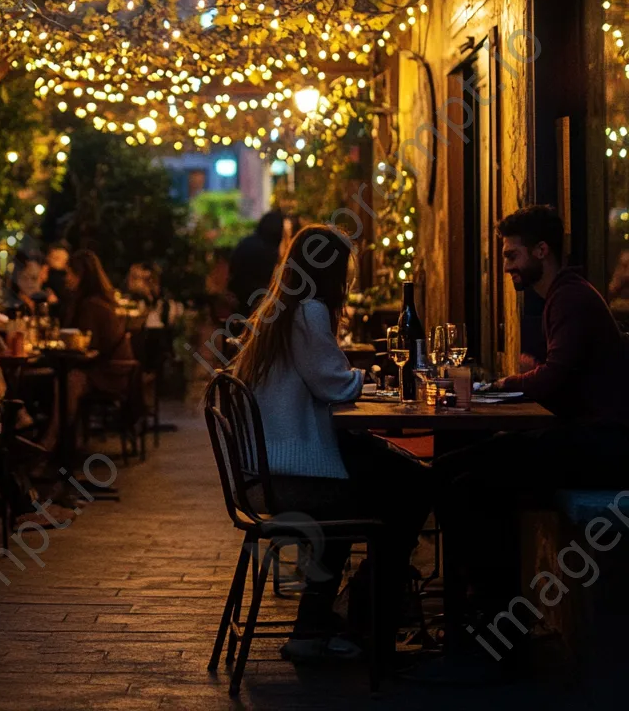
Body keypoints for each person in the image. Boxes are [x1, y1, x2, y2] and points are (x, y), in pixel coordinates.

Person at [435, 205, 629, 653]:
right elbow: (560, 378)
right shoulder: (564, 297)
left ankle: (491, 624)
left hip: (607, 445)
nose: (506, 267)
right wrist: (534, 377)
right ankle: (492, 620)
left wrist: (507, 382)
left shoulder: (569, 298)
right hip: (595, 439)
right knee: (462, 471)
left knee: (468, 479)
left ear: (543, 250)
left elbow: (553, 379)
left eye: (512, 256)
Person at [234, 225, 430, 661]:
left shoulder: (280, 309)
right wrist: (369, 378)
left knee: (393, 479)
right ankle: (364, 612)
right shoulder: (308, 312)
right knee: (411, 488)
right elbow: (333, 385)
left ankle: (331, 618)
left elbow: (325, 382)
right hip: (291, 477)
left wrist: (356, 380)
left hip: (266, 473)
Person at [39, 250, 134, 451]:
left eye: (69, 273)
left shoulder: (93, 305)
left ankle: (52, 443)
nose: (66, 278)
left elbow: (88, 347)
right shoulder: (89, 301)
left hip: (110, 372)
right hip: (105, 368)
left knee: (67, 381)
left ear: (80, 275)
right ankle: (62, 443)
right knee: (62, 379)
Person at [228, 209, 286, 317]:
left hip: (240, 298)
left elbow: (232, 268)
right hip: (259, 302)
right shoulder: (269, 251)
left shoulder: (246, 242)